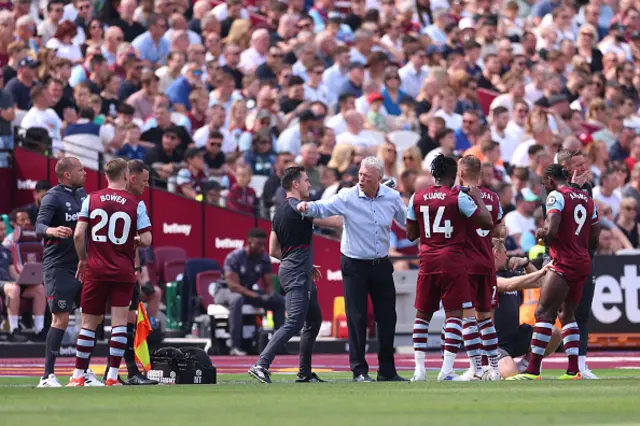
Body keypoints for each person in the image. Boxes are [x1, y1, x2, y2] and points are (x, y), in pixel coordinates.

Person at [298, 156, 407, 382]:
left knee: (387, 317)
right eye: (359, 175)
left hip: (381, 263)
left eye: (366, 177)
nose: (360, 180)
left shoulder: (392, 197)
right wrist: (306, 207)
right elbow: (325, 207)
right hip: (354, 264)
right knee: (356, 317)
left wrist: (425, 225)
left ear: (379, 178)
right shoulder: (348, 196)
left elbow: (407, 222)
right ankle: (359, 370)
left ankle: (387, 370)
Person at [405, 155, 493, 382]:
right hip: (453, 260)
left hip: (427, 260)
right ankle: (446, 370)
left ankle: (419, 371)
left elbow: (411, 234)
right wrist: (478, 199)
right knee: (454, 314)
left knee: (422, 315)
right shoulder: (458, 197)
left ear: (433, 174)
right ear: (454, 174)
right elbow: (486, 222)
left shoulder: (417, 196)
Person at [508, 164, 600, 381]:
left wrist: (542, 232)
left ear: (550, 180)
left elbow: (553, 227)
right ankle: (573, 370)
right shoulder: (587, 198)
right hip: (582, 261)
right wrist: (586, 252)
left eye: (543, 181)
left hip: (563, 262)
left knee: (544, 313)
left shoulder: (556, 196)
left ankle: (532, 371)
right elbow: (595, 232)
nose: (543, 186)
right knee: (567, 314)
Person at [248, 166, 338, 383]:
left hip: (296, 269)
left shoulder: (279, 210)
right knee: (295, 322)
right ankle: (261, 364)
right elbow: (335, 221)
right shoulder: (300, 208)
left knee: (313, 320)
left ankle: (304, 372)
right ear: (295, 184)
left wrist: (299, 261)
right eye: (306, 181)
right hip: (297, 272)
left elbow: (273, 250)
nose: (309, 185)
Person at [68, 158, 153, 387]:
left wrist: (83, 260)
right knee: (119, 324)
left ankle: (78, 375)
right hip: (122, 271)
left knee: (88, 324)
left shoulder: (91, 199)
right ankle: (113, 376)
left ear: (106, 175)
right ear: (126, 175)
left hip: (95, 269)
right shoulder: (137, 203)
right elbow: (146, 239)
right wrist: (132, 240)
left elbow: (78, 235)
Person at [35, 157, 88, 388]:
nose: (85, 173)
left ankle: (82, 373)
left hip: (82, 264)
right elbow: (38, 226)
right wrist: (52, 230)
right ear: (67, 174)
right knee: (61, 318)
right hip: (58, 266)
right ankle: (47, 376)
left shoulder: (83, 195)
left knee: (91, 317)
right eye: (80, 170)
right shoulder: (53, 197)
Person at [457, 155, 504, 381]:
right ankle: (494, 369)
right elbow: (500, 231)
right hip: (487, 262)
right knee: (485, 319)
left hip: (466, 263)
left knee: (468, 318)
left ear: (463, 173)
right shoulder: (493, 198)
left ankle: (476, 369)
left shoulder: (459, 196)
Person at [492, 238, 562, 379]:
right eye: (505, 253)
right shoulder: (487, 276)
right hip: (494, 342)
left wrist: (526, 263)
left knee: (554, 334)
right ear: (496, 253)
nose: (507, 257)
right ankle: (492, 370)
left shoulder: (509, 273)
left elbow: (541, 283)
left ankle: (525, 367)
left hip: (514, 336)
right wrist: (542, 271)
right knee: (509, 374)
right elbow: (508, 285)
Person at [215, 228, 286, 356]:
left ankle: (279, 345)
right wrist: (255, 295)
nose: (262, 248)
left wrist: (269, 297)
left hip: (247, 292)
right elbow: (233, 286)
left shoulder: (264, 258)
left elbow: (268, 284)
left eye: (264, 245)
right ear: (249, 243)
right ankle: (234, 346)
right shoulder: (235, 257)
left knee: (279, 301)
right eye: (259, 244)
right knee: (237, 299)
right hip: (224, 291)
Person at [0, 220, 46, 342]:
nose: (3, 233)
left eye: (4, 229)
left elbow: (11, 271)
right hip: (4, 285)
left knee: (39, 289)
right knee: (13, 288)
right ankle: (14, 330)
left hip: (8, 284)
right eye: (0, 230)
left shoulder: (5, 250)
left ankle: (39, 330)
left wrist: (23, 280)